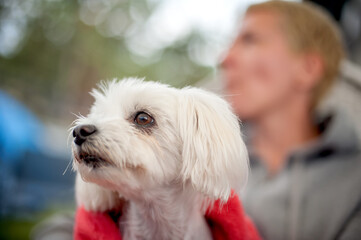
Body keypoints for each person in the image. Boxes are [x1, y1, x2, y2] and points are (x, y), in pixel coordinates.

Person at [221, 1, 361, 240]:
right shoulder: (203, 164)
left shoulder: (355, 184)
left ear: (308, 68)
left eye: (249, 40)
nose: (225, 58)